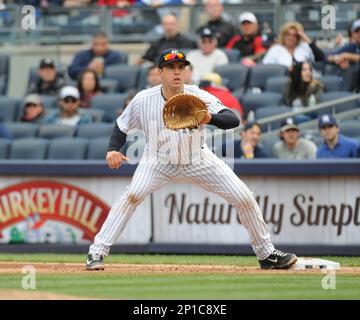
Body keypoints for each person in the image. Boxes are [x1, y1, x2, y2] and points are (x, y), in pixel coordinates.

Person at [85, 48, 297, 271]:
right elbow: (121, 125)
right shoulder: (143, 99)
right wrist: (112, 150)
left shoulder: (198, 95)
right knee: (132, 195)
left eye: (181, 67)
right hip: (157, 160)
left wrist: (209, 117)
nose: (177, 72)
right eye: (170, 68)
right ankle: (96, 252)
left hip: (198, 158)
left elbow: (232, 119)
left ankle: (266, 255)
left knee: (243, 196)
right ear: (159, 72)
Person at [327, 19, 360, 92]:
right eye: (357, 31)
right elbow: (328, 57)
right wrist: (337, 59)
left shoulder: (348, 51)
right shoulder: (351, 47)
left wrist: (347, 56)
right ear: (352, 34)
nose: (359, 33)